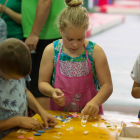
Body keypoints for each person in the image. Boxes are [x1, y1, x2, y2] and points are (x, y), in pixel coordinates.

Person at [38, 0, 113, 117]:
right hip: (59, 115)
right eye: (69, 39)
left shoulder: (95, 52)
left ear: (86, 31)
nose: (75, 44)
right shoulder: (52, 50)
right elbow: (42, 83)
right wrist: (51, 91)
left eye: (80, 39)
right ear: (60, 30)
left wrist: (95, 102)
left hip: (89, 116)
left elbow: (107, 85)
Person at [0, 38, 57, 139]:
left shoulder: (18, 67)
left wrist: (41, 111)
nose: (18, 79)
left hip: (19, 133)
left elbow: (24, 91)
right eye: (14, 78)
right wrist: (17, 121)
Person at [22, 0, 66, 110]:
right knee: (35, 84)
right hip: (39, 33)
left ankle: (45, 123)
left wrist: (34, 33)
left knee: (40, 86)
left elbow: (45, 1)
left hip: (44, 35)